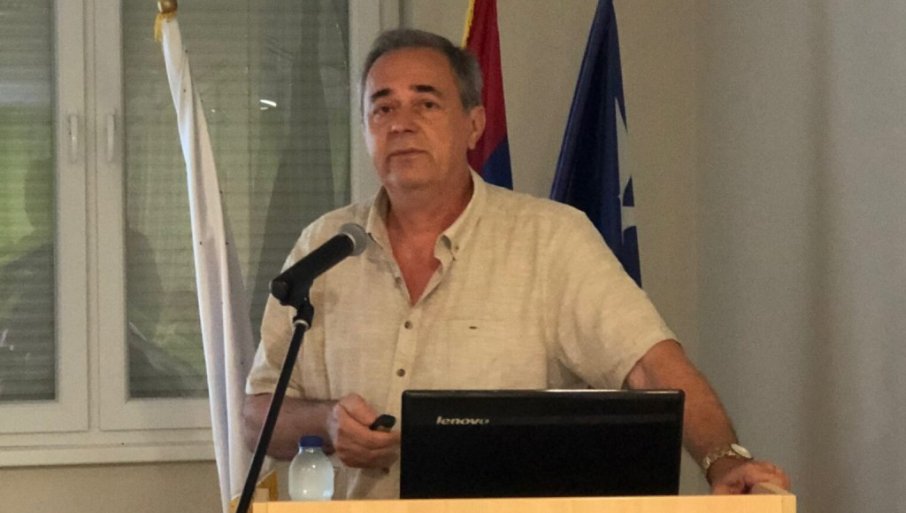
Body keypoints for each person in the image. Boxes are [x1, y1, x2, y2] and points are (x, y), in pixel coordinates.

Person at [243, 28, 790, 499]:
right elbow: (257, 416)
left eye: (426, 103)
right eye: (382, 107)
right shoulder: (325, 247)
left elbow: (650, 365)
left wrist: (724, 460)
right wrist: (327, 423)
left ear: (474, 124)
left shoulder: (549, 239)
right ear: (365, 129)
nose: (400, 123)